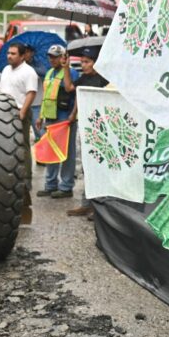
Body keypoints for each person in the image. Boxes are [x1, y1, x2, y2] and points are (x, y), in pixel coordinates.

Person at [67, 45, 108, 218]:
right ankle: (86, 203)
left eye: (87, 62)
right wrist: (65, 67)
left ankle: (99, 207)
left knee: (98, 166)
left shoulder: (104, 80)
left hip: (99, 128)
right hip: (83, 125)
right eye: (82, 62)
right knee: (85, 166)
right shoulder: (83, 79)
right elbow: (71, 89)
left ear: (95, 63)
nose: (83, 65)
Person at [35, 44, 79, 199]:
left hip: (65, 118)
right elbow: (46, 96)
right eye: (50, 56)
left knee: (66, 152)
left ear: (63, 57)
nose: (52, 59)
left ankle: (66, 187)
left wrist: (73, 115)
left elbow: (76, 94)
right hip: (50, 117)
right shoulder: (49, 73)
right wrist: (40, 116)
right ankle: (51, 185)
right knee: (51, 151)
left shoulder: (71, 72)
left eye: (55, 56)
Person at [0, 44, 38, 148]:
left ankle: (25, 165)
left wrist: (22, 112)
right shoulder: (6, 69)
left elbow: (31, 93)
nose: (9, 56)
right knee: (5, 143)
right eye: (8, 53)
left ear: (22, 56)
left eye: (13, 53)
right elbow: (1, 89)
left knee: (21, 144)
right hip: (3, 110)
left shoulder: (29, 72)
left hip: (19, 111)